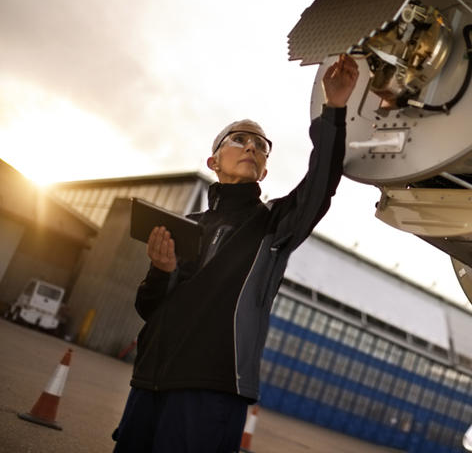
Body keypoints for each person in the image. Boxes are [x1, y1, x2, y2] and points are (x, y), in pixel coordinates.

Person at [112, 54, 359, 452]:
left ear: (263, 171)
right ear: (213, 161)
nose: (252, 147)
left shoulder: (274, 225)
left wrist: (334, 108)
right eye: (240, 139)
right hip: (149, 382)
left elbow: (321, 183)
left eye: (261, 146)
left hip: (212, 389)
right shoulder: (185, 226)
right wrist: (161, 270)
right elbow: (149, 307)